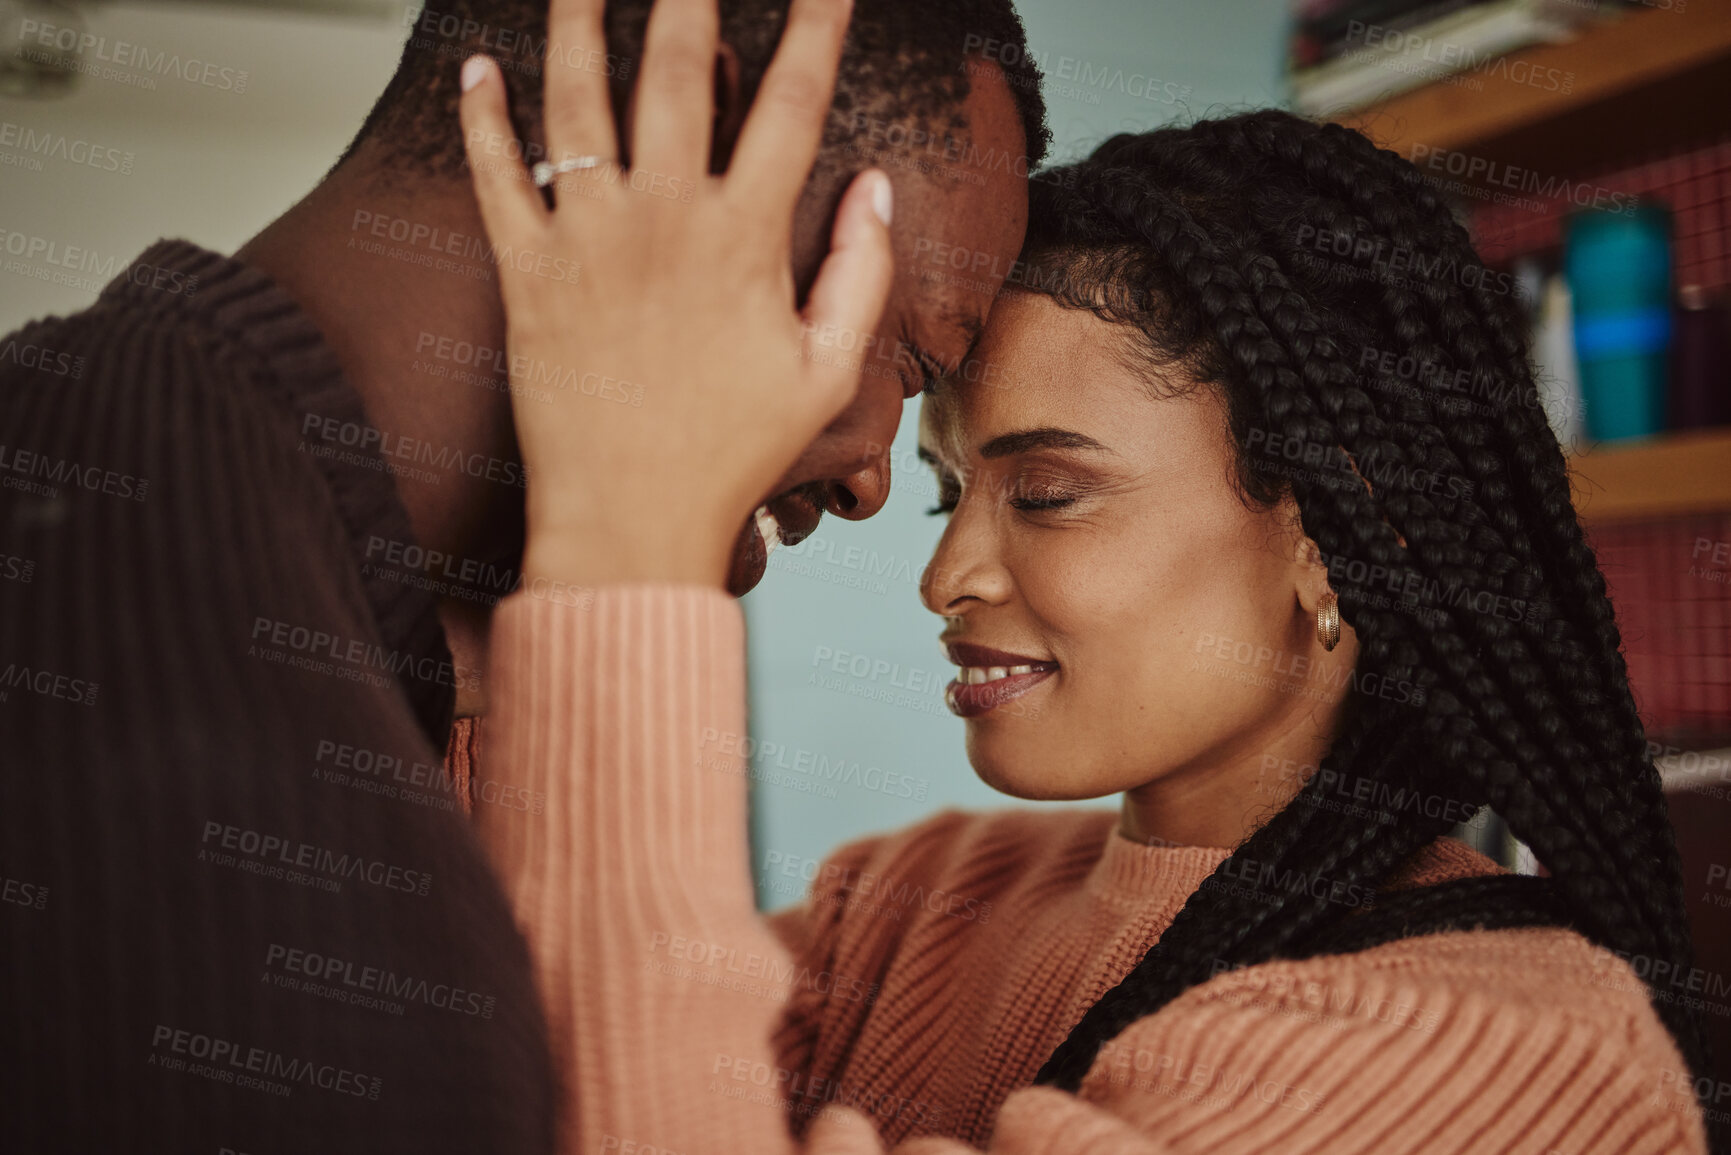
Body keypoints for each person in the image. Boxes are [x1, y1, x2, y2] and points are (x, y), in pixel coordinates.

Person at [447, 6, 1720, 1152]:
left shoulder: (1498, 1048)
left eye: (1048, 494)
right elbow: (506, 1062)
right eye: (950, 494)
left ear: (1337, 534)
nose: (946, 575)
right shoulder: (908, 902)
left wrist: (627, 543)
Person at [0, 0, 1044, 1149]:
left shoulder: (361, 620)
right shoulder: (132, 651)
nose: (869, 484)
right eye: (907, 356)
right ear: (689, 139)